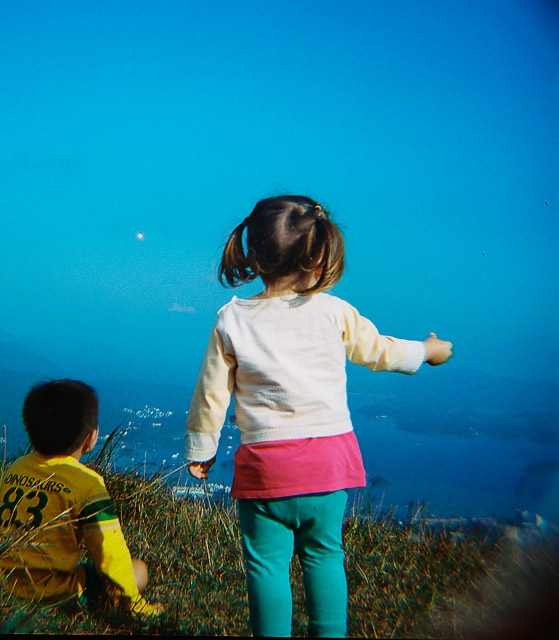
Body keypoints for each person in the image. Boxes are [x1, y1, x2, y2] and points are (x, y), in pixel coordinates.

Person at [184, 195, 452, 638]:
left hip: (266, 467)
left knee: (266, 565)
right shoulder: (334, 312)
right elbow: (381, 352)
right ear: (316, 257)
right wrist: (427, 351)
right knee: (324, 556)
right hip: (328, 462)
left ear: (254, 253)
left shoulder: (232, 320)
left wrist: (201, 448)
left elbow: (211, 394)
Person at [0, 379, 163, 618]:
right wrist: (137, 607)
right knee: (138, 570)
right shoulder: (88, 484)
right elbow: (111, 557)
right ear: (90, 437)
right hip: (51, 593)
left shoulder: (16, 467)